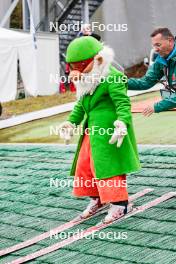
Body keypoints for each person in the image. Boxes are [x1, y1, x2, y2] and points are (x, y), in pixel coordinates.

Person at [59, 36, 140, 224]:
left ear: (98, 60)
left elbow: (122, 103)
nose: (75, 74)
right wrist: (71, 123)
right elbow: (81, 104)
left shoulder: (112, 77)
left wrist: (122, 123)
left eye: (80, 67)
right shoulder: (88, 79)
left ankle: (120, 203)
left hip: (109, 131)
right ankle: (97, 198)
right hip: (91, 132)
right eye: (73, 68)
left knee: (107, 166)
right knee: (85, 165)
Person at [128, 27, 176, 116]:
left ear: (170, 41)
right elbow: (145, 82)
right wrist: (118, 81)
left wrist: (157, 106)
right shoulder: (161, 60)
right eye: (154, 46)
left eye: (158, 45)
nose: (155, 49)